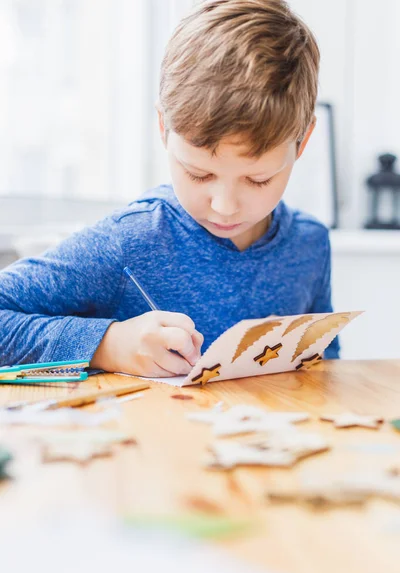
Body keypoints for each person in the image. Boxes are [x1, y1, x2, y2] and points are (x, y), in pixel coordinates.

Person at [0, 0, 338, 377]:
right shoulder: (130, 240)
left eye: (258, 179)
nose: (224, 206)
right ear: (163, 128)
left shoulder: (310, 245)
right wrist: (107, 345)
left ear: (303, 141)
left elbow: (326, 369)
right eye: (198, 174)